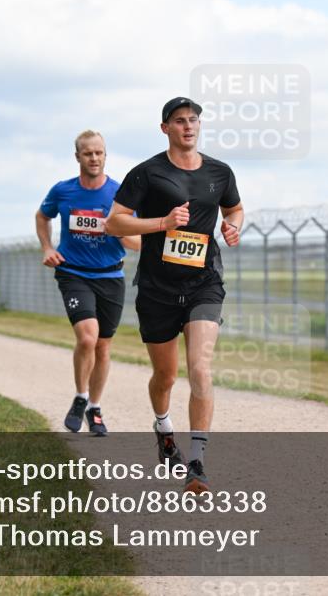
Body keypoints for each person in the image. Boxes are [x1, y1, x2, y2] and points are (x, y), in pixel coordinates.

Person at [105, 97, 244, 493]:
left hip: (204, 282)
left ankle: (197, 463)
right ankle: (164, 428)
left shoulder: (220, 171)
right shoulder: (147, 173)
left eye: (194, 120)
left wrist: (232, 227)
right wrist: (163, 222)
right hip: (157, 288)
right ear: (165, 128)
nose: (189, 126)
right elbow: (115, 223)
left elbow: (235, 209)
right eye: (180, 121)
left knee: (199, 366)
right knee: (165, 375)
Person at [36, 130, 141, 436]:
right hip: (74, 273)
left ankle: (95, 408)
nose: (94, 158)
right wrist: (47, 247)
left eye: (99, 153)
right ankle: (80, 397)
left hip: (110, 275)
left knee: (104, 346)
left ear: (105, 155)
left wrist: (119, 232)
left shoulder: (120, 194)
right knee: (87, 338)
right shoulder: (63, 190)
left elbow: (135, 240)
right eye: (88, 153)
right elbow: (43, 217)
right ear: (78, 157)